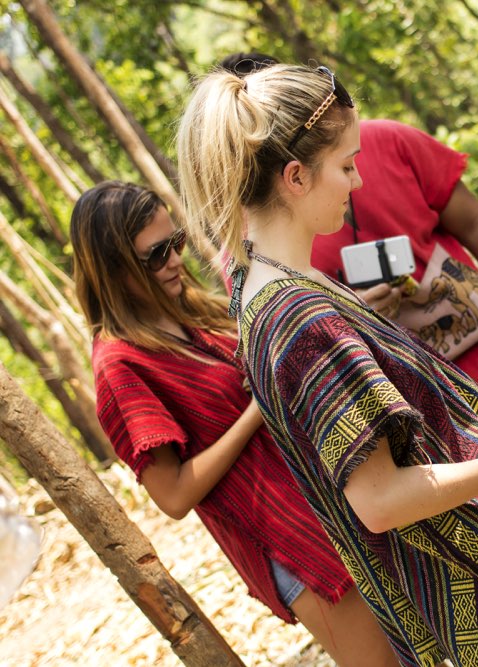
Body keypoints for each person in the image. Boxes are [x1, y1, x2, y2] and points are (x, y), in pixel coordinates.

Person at [178, 63, 478, 667]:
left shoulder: (264, 287)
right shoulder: (299, 321)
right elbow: (380, 499)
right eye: (345, 164)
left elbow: (422, 443)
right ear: (295, 176)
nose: (357, 181)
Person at [70, 181, 398, 667]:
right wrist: (255, 411)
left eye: (175, 242)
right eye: (156, 255)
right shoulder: (120, 367)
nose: (176, 261)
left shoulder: (188, 311)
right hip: (292, 542)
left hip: (336, 501)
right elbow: (174, 495)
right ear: (114, 269)